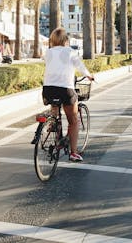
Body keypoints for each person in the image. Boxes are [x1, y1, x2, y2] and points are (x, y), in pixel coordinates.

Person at [42, 27, 94, 162]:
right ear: (66, 40)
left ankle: (53, 123)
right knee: (73, 121)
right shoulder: (71, 52)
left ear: (52, 40)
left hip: (48, 90)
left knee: (55, 104)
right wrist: (89, 76)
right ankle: (73, 153)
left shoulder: (48, 52)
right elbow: (81, 67)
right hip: (65, 89)